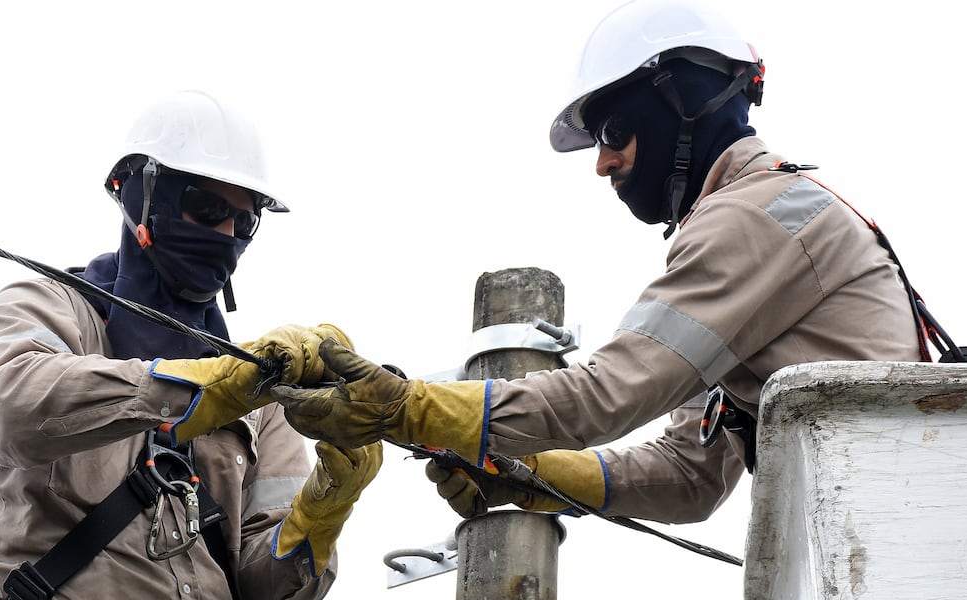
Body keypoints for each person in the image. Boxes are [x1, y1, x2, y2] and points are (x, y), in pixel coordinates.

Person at [270, 0, 931, 526]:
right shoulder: (764, 228)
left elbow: (604, 396)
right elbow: (690, 476)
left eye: (615, 132)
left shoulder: (755, 219)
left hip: (893, 536)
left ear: (683, 107)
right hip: (873, 542)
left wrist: (403, 408)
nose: (603, 163)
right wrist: (526, 476)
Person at [0, 90, 380, 600]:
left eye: (245, 221)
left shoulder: (261, 395)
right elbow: (8, 411)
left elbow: (266, 597)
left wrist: (324, 508)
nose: (226, 236)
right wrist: (194, 388)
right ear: (142, 197)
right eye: (207, 209)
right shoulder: (48, 307)